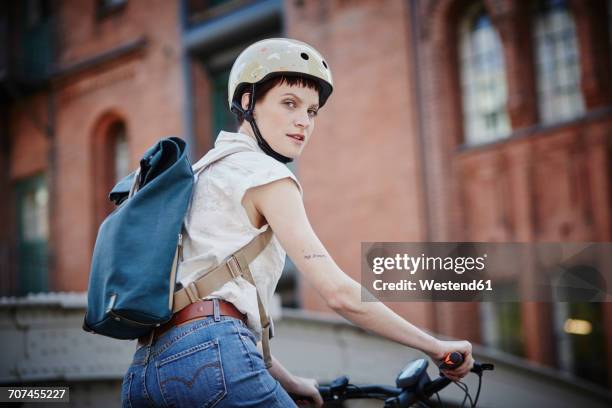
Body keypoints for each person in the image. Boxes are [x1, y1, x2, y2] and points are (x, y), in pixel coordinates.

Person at [120, 38, 474, 408]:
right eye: (289, 103)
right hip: (213, 360)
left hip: (144, 374)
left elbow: (209, 305)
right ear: (247, 102)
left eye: (312, 111)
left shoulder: (198, 174)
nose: (303, 121)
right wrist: (435, 346)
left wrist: (290, 382)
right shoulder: (266, 175)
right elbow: (338, 293)